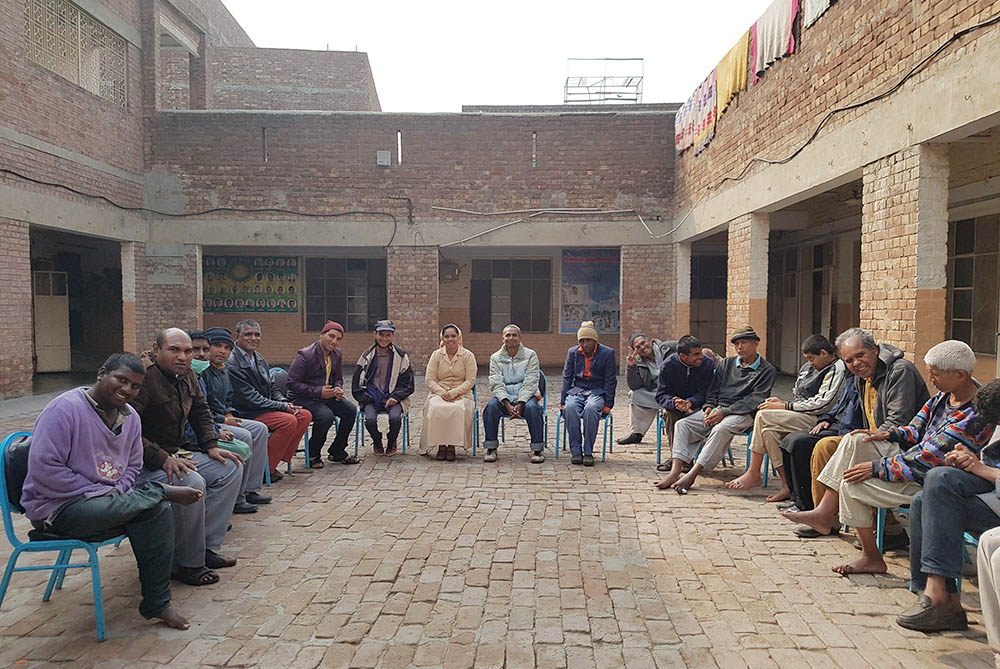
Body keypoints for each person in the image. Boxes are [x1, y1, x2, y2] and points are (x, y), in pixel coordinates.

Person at [20, 353, 201, 630]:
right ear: (102, 373)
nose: (127, 390)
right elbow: (45, 469)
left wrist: (117, 490)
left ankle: (157, 603)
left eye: (136, 386)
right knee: (153, 500)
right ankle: (159, 490)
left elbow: (133, 464)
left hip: (111, 504)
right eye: (121, 380)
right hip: (59, 509)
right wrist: (97, 492)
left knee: (157, 511)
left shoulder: (130, 418)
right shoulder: (64, 409)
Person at [784, 340, 992, 576]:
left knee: (851, 483)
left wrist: (877, 468)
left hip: (931, 478)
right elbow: (915, 429)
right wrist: (888, 433)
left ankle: (870, 555)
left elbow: (928, 458)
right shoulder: (942, 398)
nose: (930, 379)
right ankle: (826, 513)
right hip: (912, 459)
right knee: (856, 439)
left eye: (935, 374)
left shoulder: (974, 414)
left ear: (960, 374)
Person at [784, 327, 930, 542]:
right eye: (850, 360)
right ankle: (828, 520)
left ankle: (889, 530)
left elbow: (897, 423)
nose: (856, 364)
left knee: (855, 442)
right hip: (876, 440)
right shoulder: (861, 377)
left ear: (875, 351)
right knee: (825, 446)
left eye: (861, 355)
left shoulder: (899, 371)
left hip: (902, 444)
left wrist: (862, 438)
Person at [129, 329, 244, 587]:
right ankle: (185, 563)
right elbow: (127, 432)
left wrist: (211, 445)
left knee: (228, 467)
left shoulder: (187, 374)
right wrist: (161, 459)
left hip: (175, 453)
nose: (182, 356)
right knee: (192, 482)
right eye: (174, 350)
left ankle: (203, 547)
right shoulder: (143, 379)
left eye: (187, 351)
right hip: (141, 463)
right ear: (156, 351)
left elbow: (201, 411)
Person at [895, 380, 1000, 632]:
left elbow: (991, 471)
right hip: (993, 496)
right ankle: (943, 597)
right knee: (931, 490)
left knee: (936, 484)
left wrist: (983, 470)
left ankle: (938, 598)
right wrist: (969, 459)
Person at [726, 334, 846, 502]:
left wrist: (785, 406)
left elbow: (823, 404)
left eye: (812, 359)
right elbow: (798, 396)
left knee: (763, 415)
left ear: (824, 353)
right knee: (768, 432)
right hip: (801, 414)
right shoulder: (808, 368)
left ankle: (753, 472)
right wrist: (782, 402)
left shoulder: (837, 368)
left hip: (820, 418)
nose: (810, 363)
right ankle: (786, 485)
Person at [655, 326, 776, 492]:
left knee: (722, 427)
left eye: (744, 342)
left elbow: (754, 400)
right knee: (682, 425)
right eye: (736, 343)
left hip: (745, 413)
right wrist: (709, 407)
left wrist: (723, 412)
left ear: (756, 343)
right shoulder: (727, 363)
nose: (740, 347)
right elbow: (712, 390)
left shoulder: (767, 370)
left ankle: (692, 474)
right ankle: (676, 471)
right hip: (719, 409)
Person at [227, 319, 312, 480]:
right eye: (248, 334)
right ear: (237, 336)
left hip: (263, 407)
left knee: (304, 415)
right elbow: (250, 398)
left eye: (257, 335)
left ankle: (275, 460)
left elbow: (272, 387)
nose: (253, 338)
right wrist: (281, 407)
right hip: (246, 411)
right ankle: (264, 471)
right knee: (287, 421)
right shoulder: (232, 363)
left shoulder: (258, 358)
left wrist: (285, 402)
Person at [198, 327, 271, 509]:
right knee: (244, 435)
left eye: (227, 347)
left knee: (259, 429)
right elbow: (201, 409)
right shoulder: (201, 373)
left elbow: (228, 399)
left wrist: (229, 415)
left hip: (224, 418)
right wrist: (222, 420)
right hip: (212, 423)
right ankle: (237, 498)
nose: (222, 351)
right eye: (216, 346)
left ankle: (251, 489)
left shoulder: (223, 371)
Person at [287, 321, 358, 467]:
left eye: (338, 339)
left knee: (350, 410)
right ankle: (313, 454)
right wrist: (318, 392)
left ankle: (337, 451)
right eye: (331, 336)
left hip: (326, 396)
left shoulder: (336, 354)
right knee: (326, 416)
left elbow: (337, 378)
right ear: (321, 335)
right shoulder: (305, 355)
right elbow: (292, 384)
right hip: (304, 398)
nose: (334, 341)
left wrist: (337, 388)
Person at [482, 324, 545, 463]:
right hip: (505, 398)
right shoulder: (495, 358)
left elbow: (532, 381)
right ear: (502, 339)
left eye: (514, 335)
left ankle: (537, 449)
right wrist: (507, 403)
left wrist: (521, 402)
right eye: (507, 335)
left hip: (527, 397)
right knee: (491, 407)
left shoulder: (530, 355)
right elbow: (496, 382)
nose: (511, 338)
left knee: (533, 408)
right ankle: (491, 448)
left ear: (520, 338)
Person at [653, 335, 716, 473]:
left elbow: (707, 392)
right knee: (670, 414)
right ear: (682, 356)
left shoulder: (707, 364)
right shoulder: (668, 366)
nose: (701, 357)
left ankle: (684, 460)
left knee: (694, 419)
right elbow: (661, 394)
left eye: (700, 352)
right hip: (676, 406)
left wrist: (690, 402)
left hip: (699, 405)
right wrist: (674, 402)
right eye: (696, 354)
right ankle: (678, 458)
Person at [351, 319, 415, 455]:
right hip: (371, 397)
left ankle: (392, 441)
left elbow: (408, 384)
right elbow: (356, 384)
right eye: (381, 335)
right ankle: (377, 440)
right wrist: (367, 398)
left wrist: (395, 397)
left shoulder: (401, 356)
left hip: (392, 397)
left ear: (393, 335)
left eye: (388, 335)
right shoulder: (366, 356)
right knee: (369, 420)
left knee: (395, 418)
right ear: (375, 335)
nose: (384, 338)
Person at [560, 321, 617, 467]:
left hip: (597, 392)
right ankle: (576, 451)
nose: (585, 344)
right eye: (582, 341)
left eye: (588, 340)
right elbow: (567, 377)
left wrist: (608, 404)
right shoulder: (572, 353)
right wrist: (562, 402)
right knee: (570, 408)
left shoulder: (607, 353)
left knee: (591, 409)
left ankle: (588, 451)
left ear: (595, 340)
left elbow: (611, 381)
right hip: (577, 391)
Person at [419, 324, 478, 461]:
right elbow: (429, 380)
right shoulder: (436, 355)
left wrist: (453, 393)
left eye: (453, 336)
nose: (450, 339)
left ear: (459, 337)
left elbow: (470, 381)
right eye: (446, 336)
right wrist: (443, 393)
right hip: (439, 393)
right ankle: (440, 446)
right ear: (442, 338)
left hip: (462, 394)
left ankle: (452, 446)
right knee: (436, 407)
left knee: (457, 409)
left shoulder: (468, 356)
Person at [617, 333, 669, 446]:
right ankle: (637, 433)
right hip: (658, 392)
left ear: (649, 341)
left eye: (643, 343)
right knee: (635, 394)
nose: (642, 347)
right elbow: (635, 386)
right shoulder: (639, 361)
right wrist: (632, 366)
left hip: (676, 390)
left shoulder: (667, 349)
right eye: (637, 347)